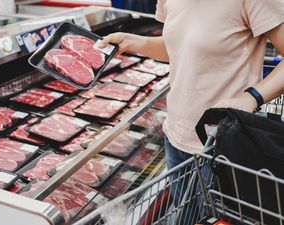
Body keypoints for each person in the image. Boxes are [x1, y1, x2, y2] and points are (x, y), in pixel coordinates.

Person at [99, 0, 284, 221]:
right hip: (175, 136)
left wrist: (251, 97)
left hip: (220, 144)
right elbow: (178, 47)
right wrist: (134, 42)